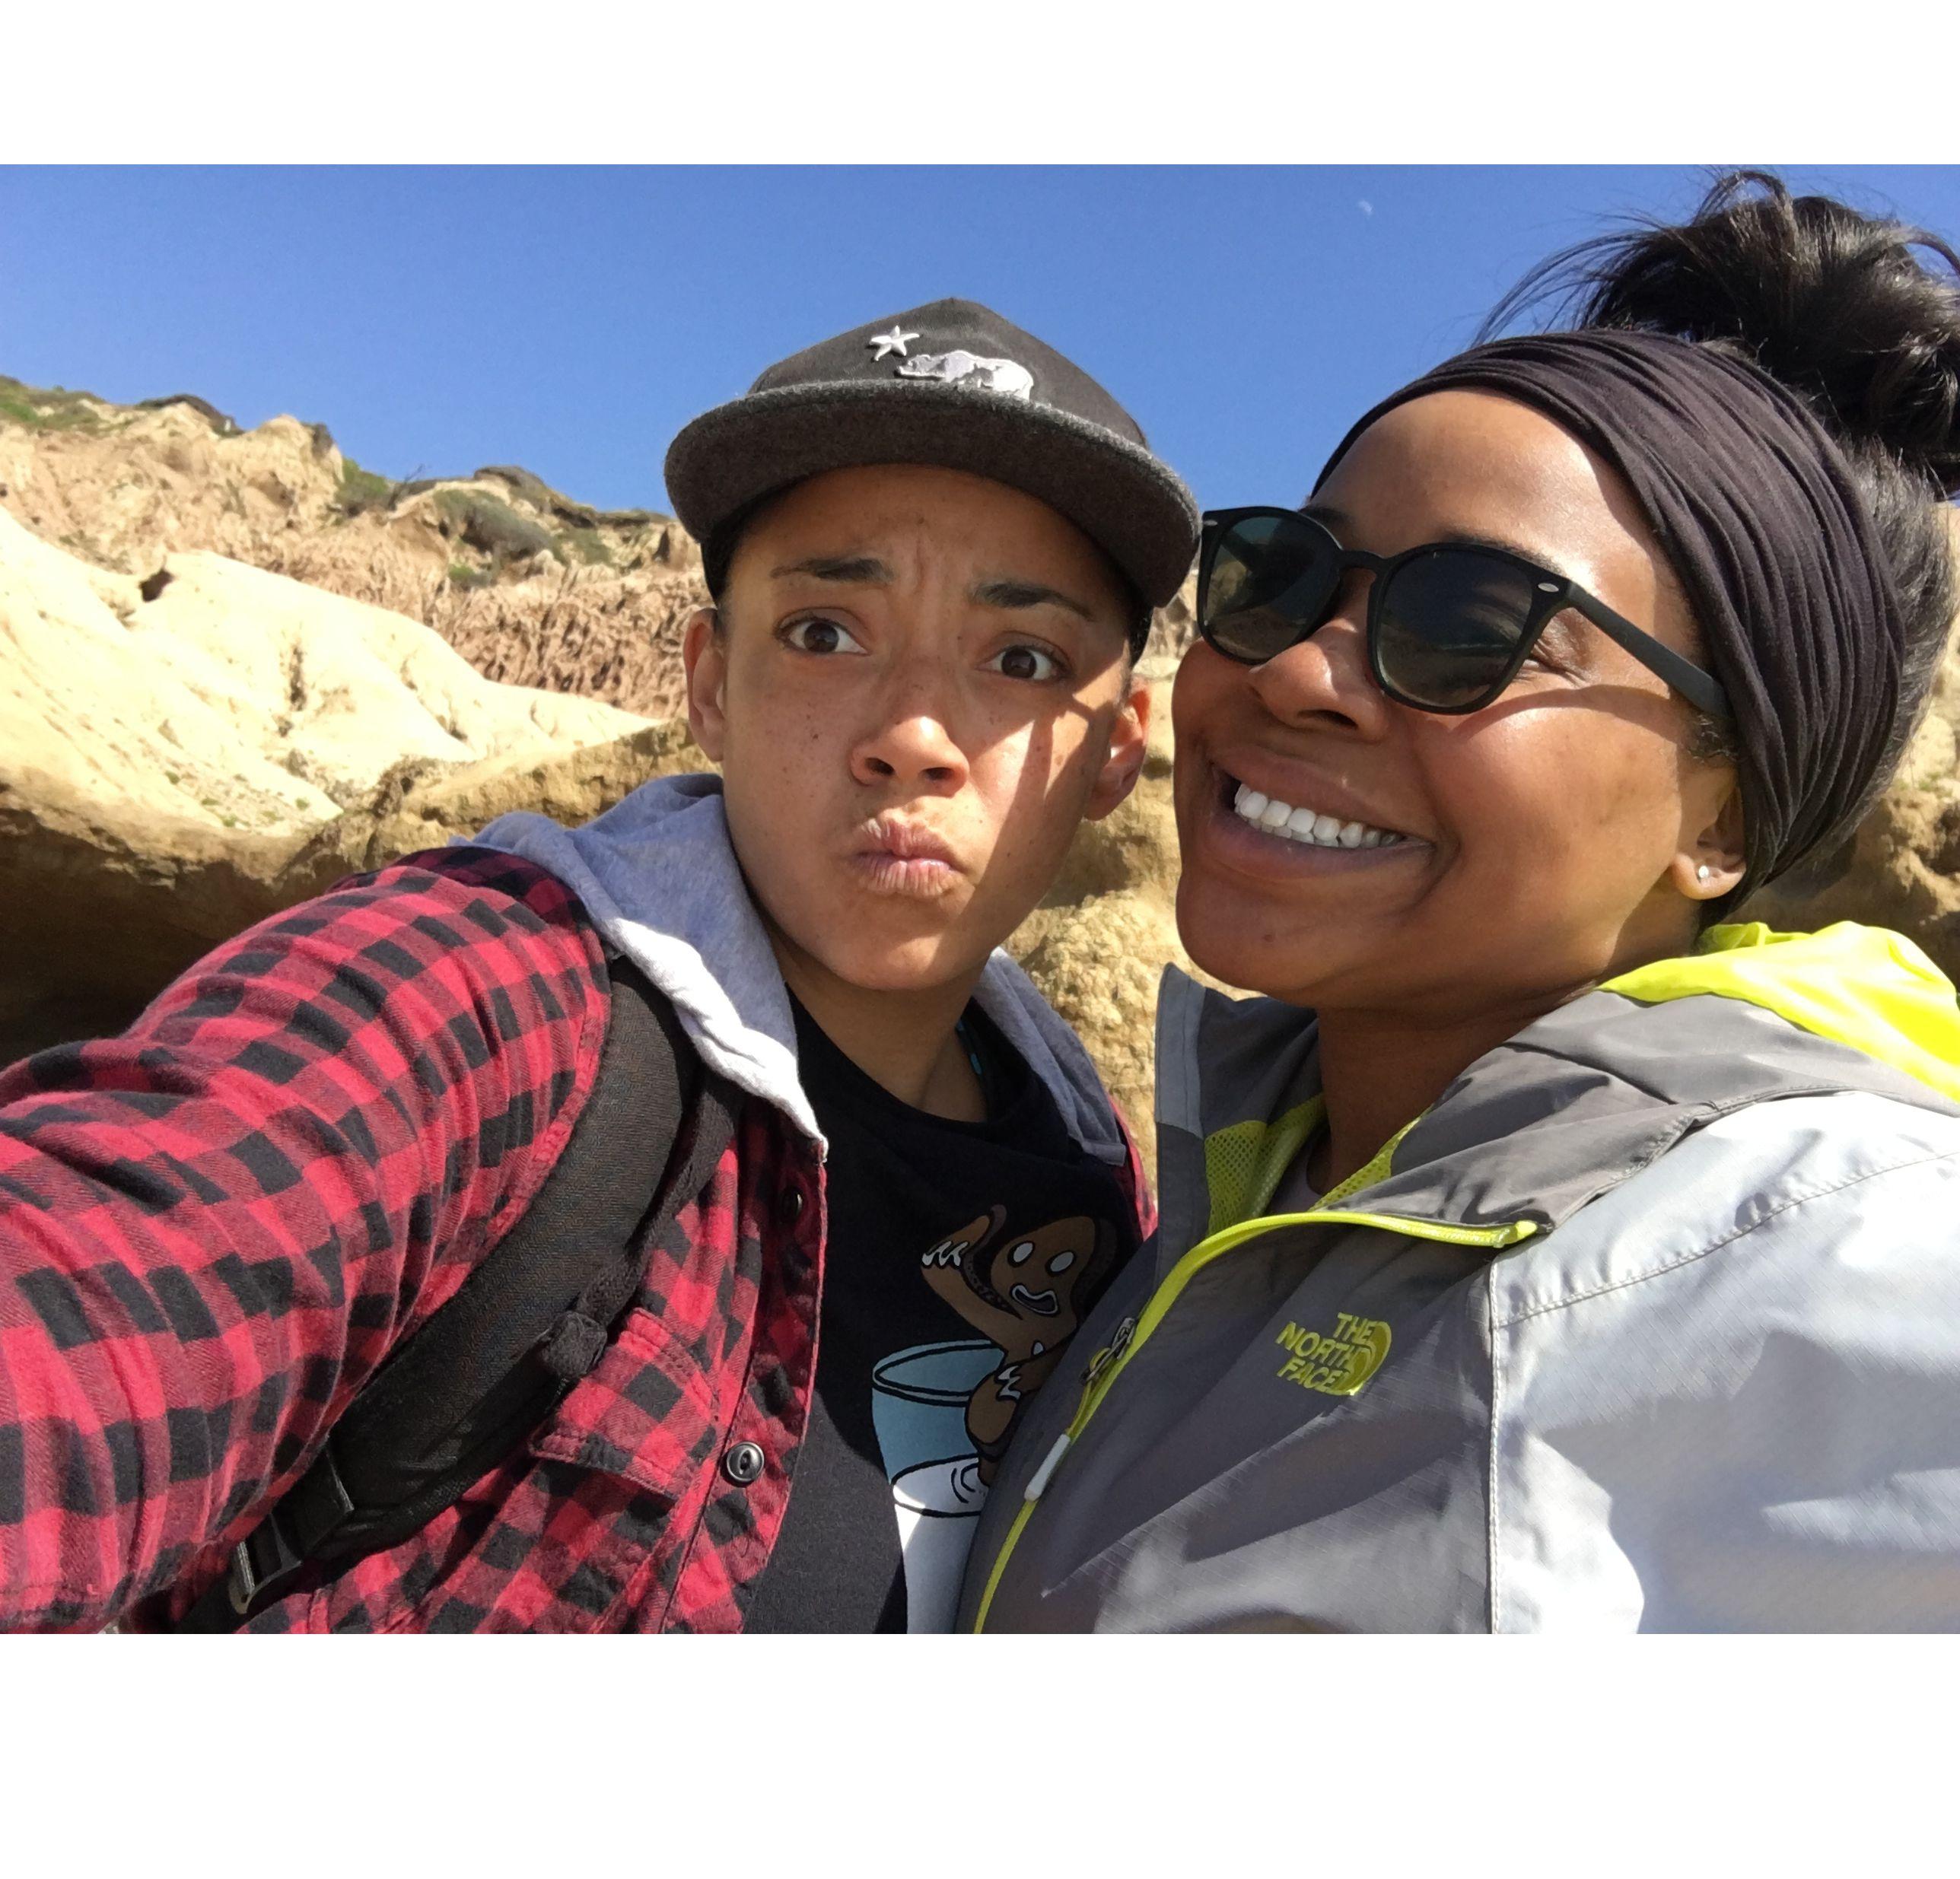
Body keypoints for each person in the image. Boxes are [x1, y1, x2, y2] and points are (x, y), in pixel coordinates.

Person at [0, 297, 1199, 1633]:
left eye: (1022, 658)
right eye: (825, 631)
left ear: (1114, 749)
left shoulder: (1095, 1177)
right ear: (710, 683)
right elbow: (107, 1283)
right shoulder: (482, 994)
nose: (914, 734)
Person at [960, 174, 1960, 1633]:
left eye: (1473, 627)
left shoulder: (1816, 1255)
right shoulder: (1247, 1178)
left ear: (1725, 819)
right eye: (1281, 577)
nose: (1297, 670)